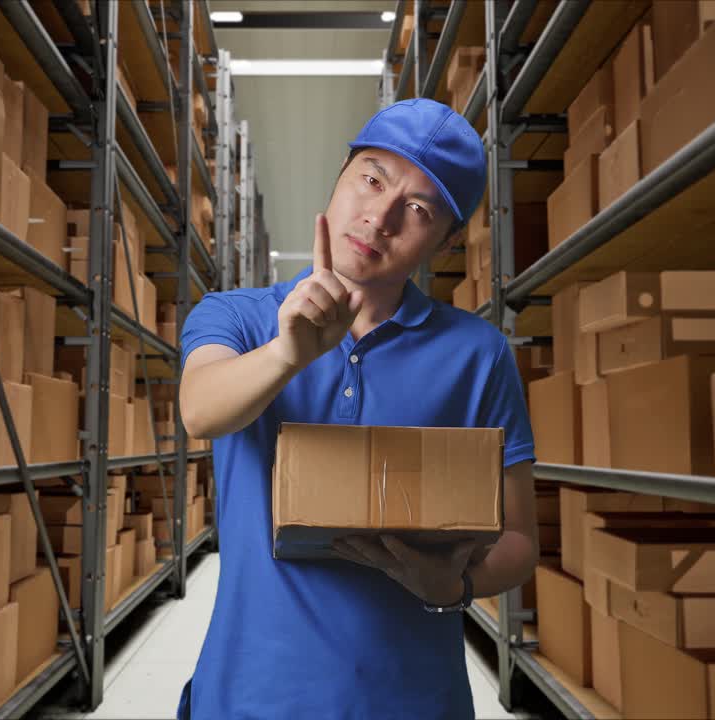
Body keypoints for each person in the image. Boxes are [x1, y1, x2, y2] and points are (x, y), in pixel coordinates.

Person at [176, 98, 539, 719]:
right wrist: (286, 355)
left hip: (413, 701)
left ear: (447, 241)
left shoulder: (477, 355)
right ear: (340, 175)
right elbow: (199, 411)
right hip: (250, 698)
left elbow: (520, 536)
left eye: (419, 210)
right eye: (371, 179)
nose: (379, 217)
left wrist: (455, 588)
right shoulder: (238, 316)